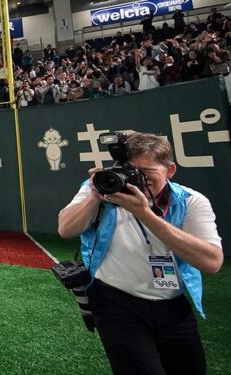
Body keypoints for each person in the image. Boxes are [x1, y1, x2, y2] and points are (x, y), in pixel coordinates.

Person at [58, 132, 223, 375]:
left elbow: (211, 262)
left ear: (170, 170)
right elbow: (65, 229)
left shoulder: (191, 201)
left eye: (146, 173)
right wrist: (95, 195)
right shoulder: (103, 189)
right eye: (130, 171)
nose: (136, 180)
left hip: (172, 304)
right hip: (114, 302)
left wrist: (145, 213)